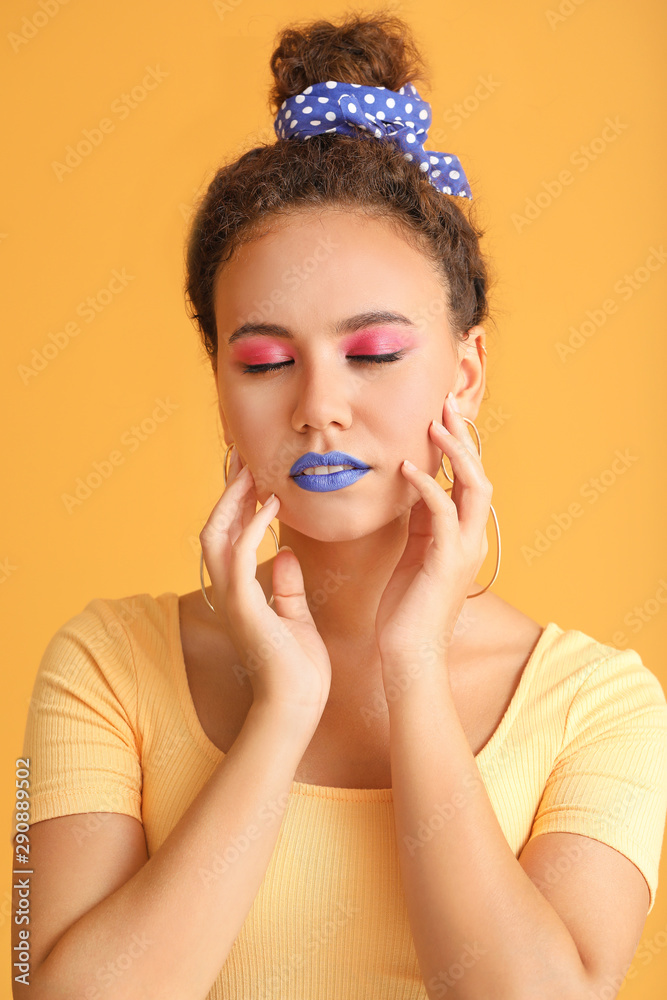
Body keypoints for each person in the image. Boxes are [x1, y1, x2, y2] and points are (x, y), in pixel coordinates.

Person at [13, 11, 667, 1000]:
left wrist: (412, 676)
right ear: (222, 385)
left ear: (466, 370)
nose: (318, 406)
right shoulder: (100, 666)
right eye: (267, 359)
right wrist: (282, 713)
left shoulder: (603, 704)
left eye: (371, 354)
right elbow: (39, 985)